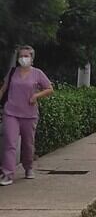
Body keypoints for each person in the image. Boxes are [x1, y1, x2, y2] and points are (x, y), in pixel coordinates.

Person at [0, 45, 54, 186]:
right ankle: (7, 174)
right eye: (21, 56)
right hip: (11, 112)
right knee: (10, 143)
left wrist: (36, 95)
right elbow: (4, 88)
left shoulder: (37, 73)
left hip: (29, 115)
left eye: (26, 56)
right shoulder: (13, 73)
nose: (23, 58)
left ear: (31, 58)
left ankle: (28, 167)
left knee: (27, 144)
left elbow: (49, 89)